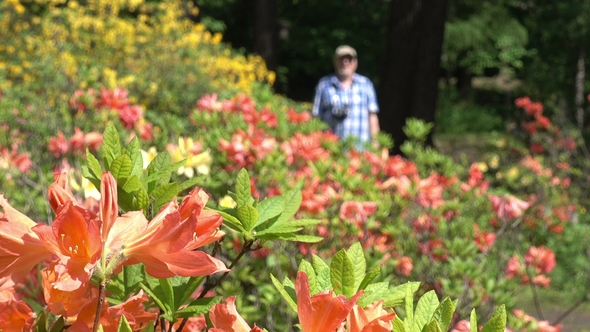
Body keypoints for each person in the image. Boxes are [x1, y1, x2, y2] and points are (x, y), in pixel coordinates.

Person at [312, 45, 380, 150]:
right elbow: (316, 118)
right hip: (332, 150)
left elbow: (372, 116)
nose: (345, 62)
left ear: (355, 63)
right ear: (334, 62)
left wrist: (376, 144)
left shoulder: (366, 84)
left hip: (360, 151)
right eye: (341, 59)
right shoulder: (324, 85)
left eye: (349, 59)